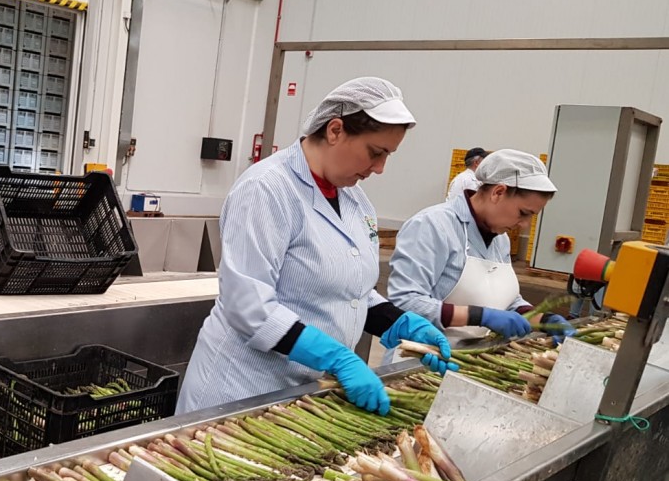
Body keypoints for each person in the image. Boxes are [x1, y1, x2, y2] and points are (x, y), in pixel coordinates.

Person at [176, 77, 458, 418]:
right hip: (242, 388)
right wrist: (337, 357)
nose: (381, 168)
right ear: (335, 130)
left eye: (388, 156)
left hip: (303, 390)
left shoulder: (354, 198)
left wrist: (398, 324)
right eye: (376, 152)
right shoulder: (267, 189)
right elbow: (249, 307)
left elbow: (352, 289)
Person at [387, 148, 573, 345]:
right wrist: (480, 316)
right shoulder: (432, 225)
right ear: (498, 192)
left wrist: (544, 320)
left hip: (470, 358)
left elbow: (505, 300)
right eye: (523, 213)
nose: (524, 224)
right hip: (423, 358)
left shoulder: (501, 239)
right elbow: (404, 301)